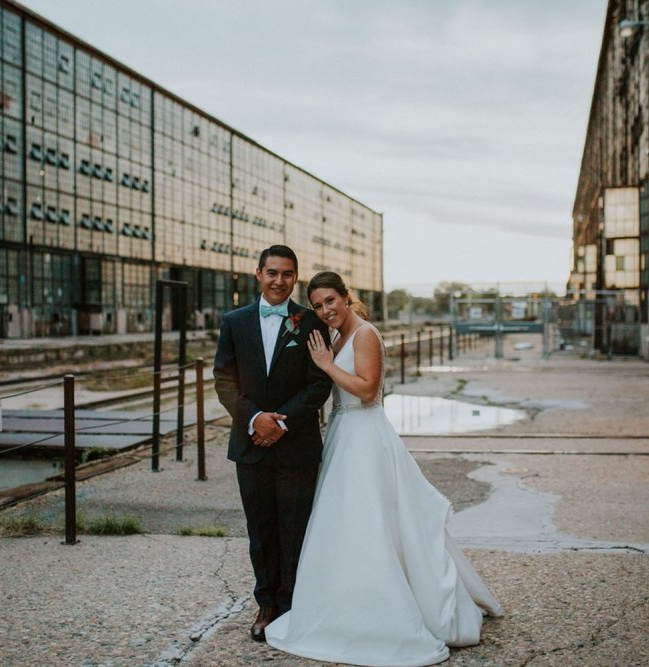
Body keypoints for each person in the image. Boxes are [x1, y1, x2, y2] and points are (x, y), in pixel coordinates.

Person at [265, 271, 503, 667]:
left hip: (365, 436)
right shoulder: (341, 335)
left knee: (369, 521)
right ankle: (349, 600)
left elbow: (367, 389)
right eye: (318, 305)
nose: (325, 311)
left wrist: (325, 363)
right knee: (348, 523)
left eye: (331, 301)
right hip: (345, 434)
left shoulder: (365, 335)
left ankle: (385, 608)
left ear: (346, 297)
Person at [213, 245, 333, 642]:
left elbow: (320, 382)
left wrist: (281, 422)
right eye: (272, 273)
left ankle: (293, 605)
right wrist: (254, 419)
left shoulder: (310, 321)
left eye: (287, 274)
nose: (279, 281)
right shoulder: (234, 321)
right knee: (261, 529)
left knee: (295, 528)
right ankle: (266, 604)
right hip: (250, 445)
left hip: (295, 444)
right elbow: (224, 381)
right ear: (258, 274)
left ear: (294, 278)